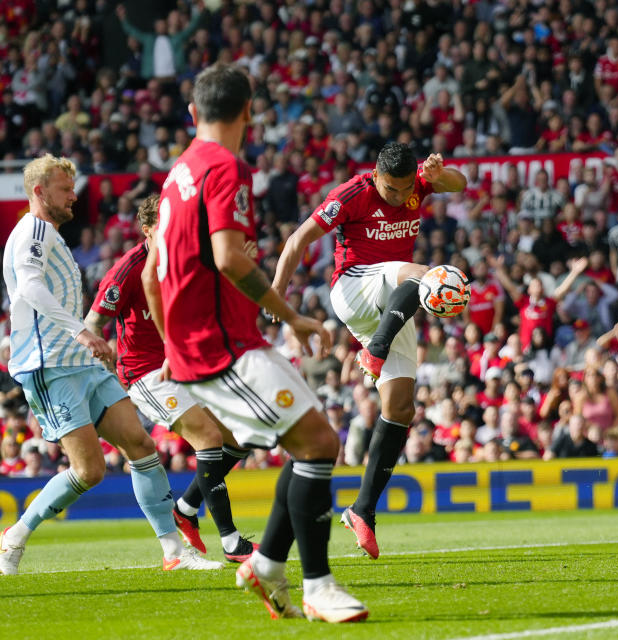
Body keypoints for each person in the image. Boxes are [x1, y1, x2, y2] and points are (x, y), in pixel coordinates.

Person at [144, 64, 366, 622]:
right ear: (248, 111)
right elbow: (228, 257)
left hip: (202, 345)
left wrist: (171, 346)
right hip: (222, 346)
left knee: (309, 438)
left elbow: (151, 275)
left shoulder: (177, 174)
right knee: (318, 443)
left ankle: (267, 565)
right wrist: (291, 315)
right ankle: (316, 586)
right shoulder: (226, 167)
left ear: (193, 114)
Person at [0, 154, 220, 575]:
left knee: (140, 446)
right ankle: (14, 537)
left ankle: (174, 551)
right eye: (65, 189)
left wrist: (82, 343)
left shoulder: (48, 232)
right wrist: (82, 331)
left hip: (78, 361)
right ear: (39, 191)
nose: (73, 196)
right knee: (89, 470)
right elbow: (28, 286)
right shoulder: (31, 229)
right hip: (49, 365)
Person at [270, 142, 466, 560]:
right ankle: (374, 352)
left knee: (399, 409)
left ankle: (362, 511)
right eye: (389, 189)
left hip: (394, 301)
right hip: (355, 288)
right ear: (375, 174)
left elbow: (458, 184)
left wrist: (437, 175)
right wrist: (276, 296)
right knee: (427, 274)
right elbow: (297, 240)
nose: (397, 197)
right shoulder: (351, 195)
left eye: (403, 189)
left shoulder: (417, 184)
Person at [84, 194, 255, 563]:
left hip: (187, 363)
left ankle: (186, 508)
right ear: (148, 231)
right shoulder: (128, 270)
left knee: (243, 436)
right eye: (168, 226)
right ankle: (231, 541)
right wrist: (97, 347)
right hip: (145, 371)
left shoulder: (188, 256)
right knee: (208, 438)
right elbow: (93, 320)